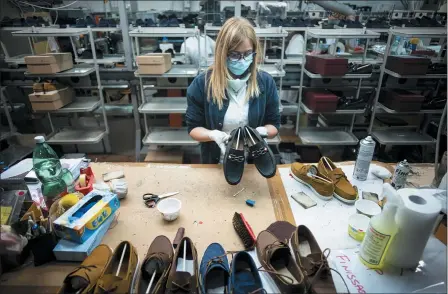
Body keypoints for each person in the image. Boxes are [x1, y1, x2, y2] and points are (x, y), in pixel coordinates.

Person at [186, 17, 280, 164]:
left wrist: (263, 132)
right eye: (235, 55)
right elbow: (193, 127)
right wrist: (211, 135)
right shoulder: (202, 84)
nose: (242, 60)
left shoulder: (265, 83)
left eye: (248, 53)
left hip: (254, 163)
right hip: (217, 162)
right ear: (222, 53)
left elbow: (274, 124)